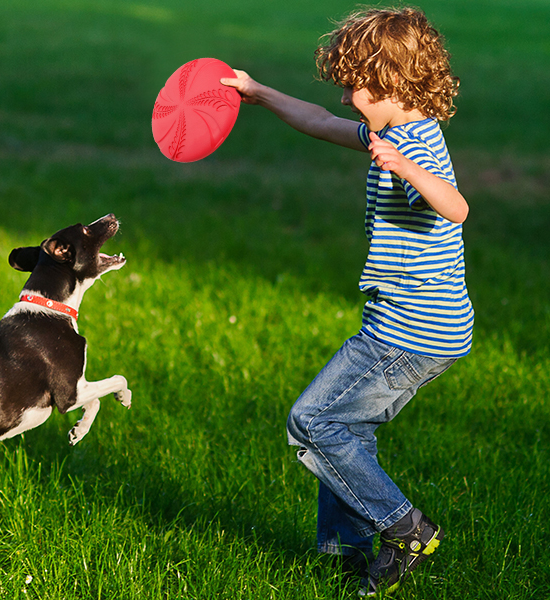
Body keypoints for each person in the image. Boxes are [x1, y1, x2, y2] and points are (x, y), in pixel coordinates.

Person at [221, 5, 471, 596]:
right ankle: (347, 552)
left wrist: (409, 170)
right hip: (410, 324)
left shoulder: (418, 148)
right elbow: (315, 120)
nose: (346, 99)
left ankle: (404, 527)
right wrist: (258, 92)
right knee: (347, 428)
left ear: (394, 85)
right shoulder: (389, 129)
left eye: (357, 87)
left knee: (312, 421)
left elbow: (457, 207)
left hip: (412, 332)